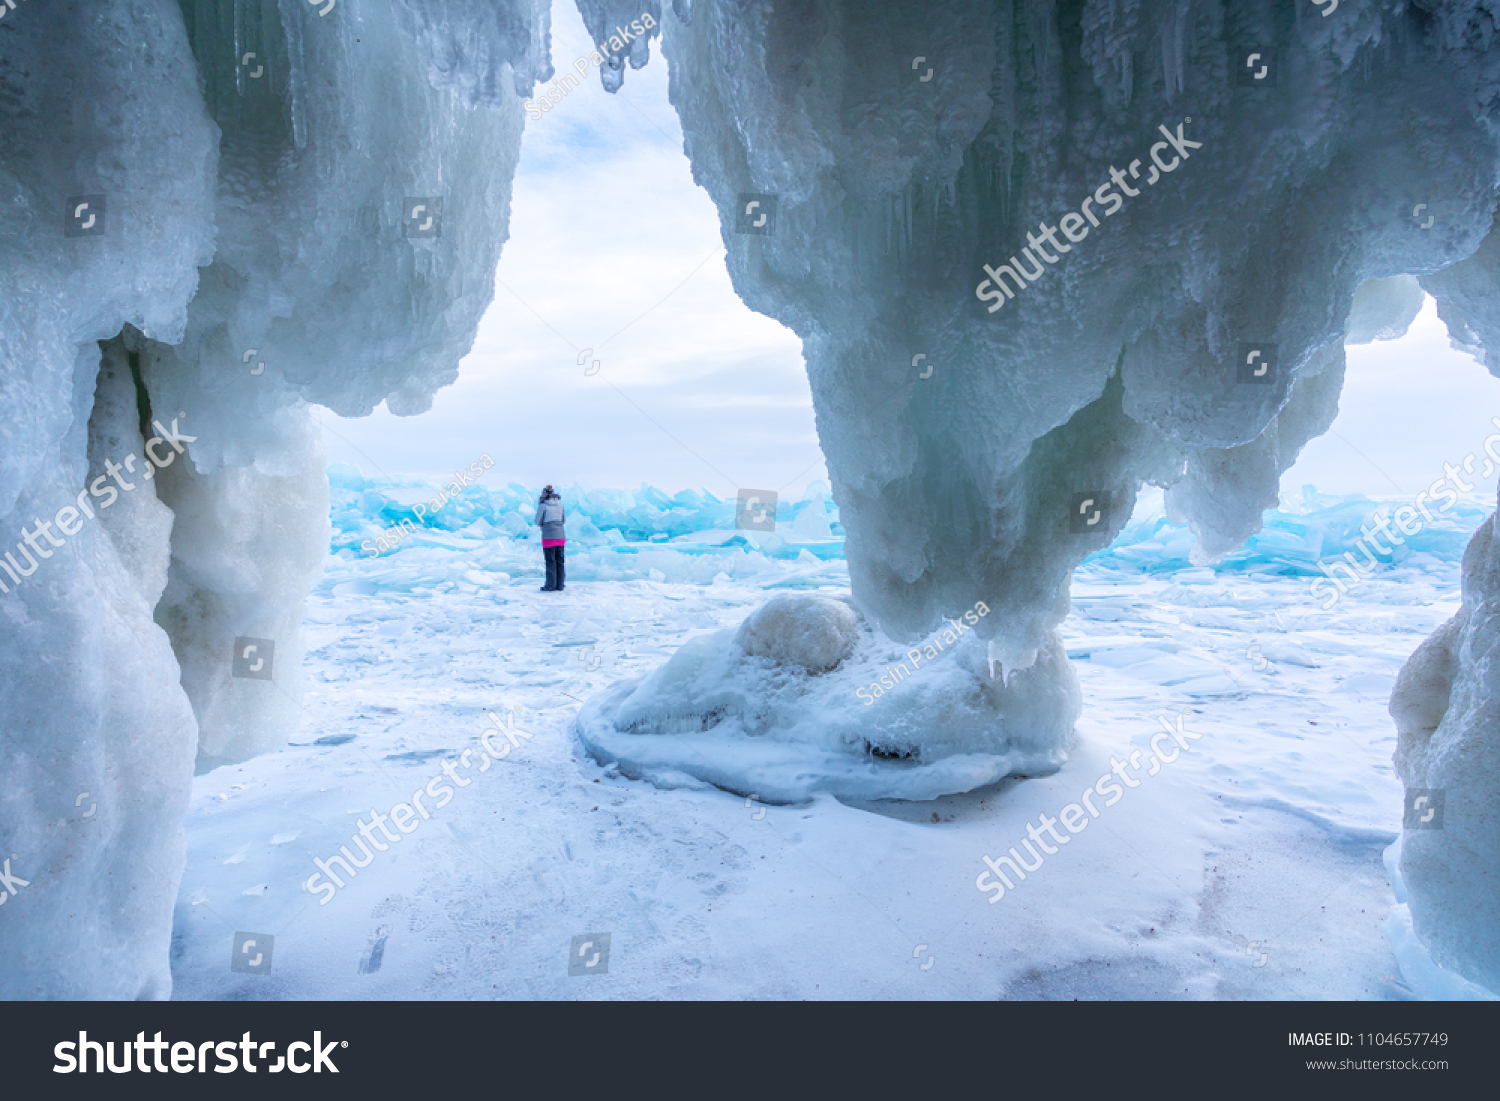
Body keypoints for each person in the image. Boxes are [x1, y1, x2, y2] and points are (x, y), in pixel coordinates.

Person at [535, 485, 566, 592]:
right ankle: (560, 585)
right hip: (560, 535)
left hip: (548, 536)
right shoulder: (560, 505)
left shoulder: (543, 506)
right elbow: (563, 520)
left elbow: (537, 521)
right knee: (560, 561)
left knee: (550, 561)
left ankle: (550, 585)